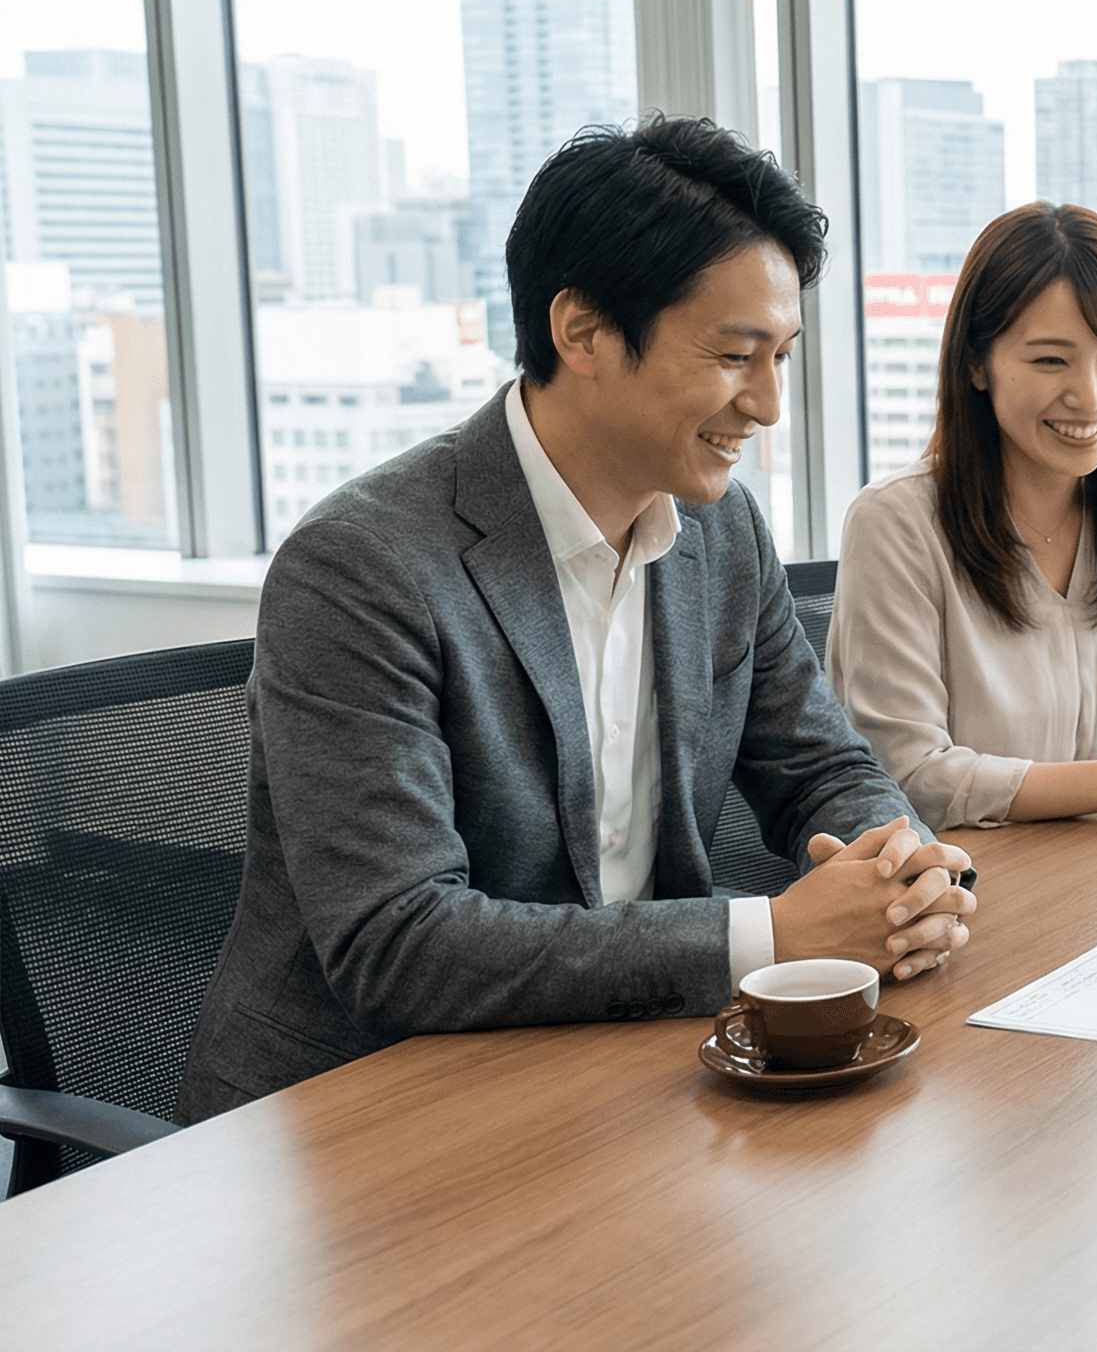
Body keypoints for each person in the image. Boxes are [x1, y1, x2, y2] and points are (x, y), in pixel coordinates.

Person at [177, 117, 976, 1122]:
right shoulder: (361, 566)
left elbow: (818, 764)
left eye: (782, 357)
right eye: (736, 356)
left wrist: (903, 871)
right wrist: (766, 938)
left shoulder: (719, 533)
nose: (768, 406)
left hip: (610, 1080)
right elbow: (398, 942)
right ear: (583, 332)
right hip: (361, 1116)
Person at [828, 202, 1097, 830]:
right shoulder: (895, 523)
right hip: (966, 891)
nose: (1089, 396)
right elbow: (911, 776)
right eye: (1050, 360)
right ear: (977, 364)